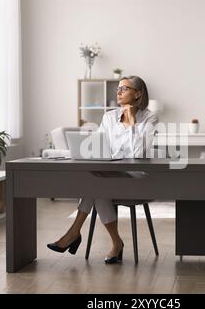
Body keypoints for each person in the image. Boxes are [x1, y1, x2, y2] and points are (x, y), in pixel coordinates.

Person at [47, 76, 159, 264]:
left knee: (96, 185)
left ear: (138, 93)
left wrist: (131, 121)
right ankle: (114, 242)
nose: (119, 91)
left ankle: (75, 234)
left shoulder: (150, 117)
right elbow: (97, 147)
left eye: (125, 88)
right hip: (109, 174)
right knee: (97, 185)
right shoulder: (109, 117)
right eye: (118, 88)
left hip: (136, 178)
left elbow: (138, 154)